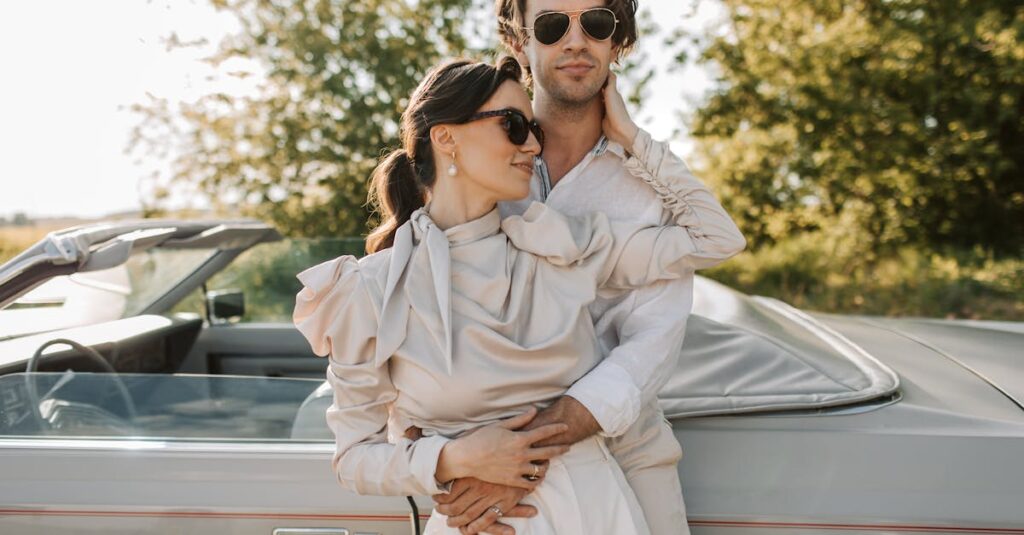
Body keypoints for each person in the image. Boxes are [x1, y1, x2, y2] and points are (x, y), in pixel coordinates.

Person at [293, 57, 743, 535]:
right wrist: (454, 457)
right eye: (512, 125)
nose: (532, 144)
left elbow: (716, 238)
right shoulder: (368, 290)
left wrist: (630, 136)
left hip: (597, 512)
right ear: (445, 138)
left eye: (533, 129)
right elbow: (354, 460)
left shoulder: (557, 245)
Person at [425, 1, 719, 534]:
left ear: (617, 41)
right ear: (519, 40)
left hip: (625, 455)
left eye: (597, 24)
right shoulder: (475, 162)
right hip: (484, 460)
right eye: (552, 24)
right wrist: (471, 458)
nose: (576, 41)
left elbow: (650, 346)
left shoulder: (654, 185)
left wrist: (527, 454)